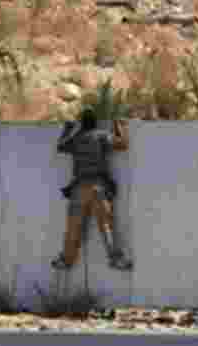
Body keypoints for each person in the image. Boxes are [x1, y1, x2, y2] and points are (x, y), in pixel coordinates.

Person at [51, 82, 133, 272]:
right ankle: (116, 259)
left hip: (79, 188)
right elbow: (123, 144)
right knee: (106, 227)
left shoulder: (77, 139)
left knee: (73, 228)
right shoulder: (101, 136)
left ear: (82, 123)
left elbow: (61, 146)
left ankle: (65, 260)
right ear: (95, 123)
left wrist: (68, 128)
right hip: (98, 188)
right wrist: (118, 125)